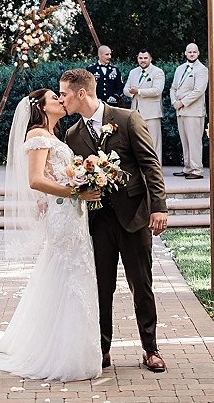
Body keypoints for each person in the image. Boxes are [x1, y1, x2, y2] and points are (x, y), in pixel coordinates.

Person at [0, 89, 102, 382]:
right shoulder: (37, 134)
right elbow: (35, 179)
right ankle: (60, 354)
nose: (62, 101)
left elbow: (52, 176)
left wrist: (77, 186)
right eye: (55, 98)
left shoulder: (53, 135)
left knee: (73, 272)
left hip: (70, 211)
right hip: (63, 214)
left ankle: (73, 348)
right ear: (41, 107)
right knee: (68, 272)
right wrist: (77, 191)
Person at [61, 68, 168, 373]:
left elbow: (150, 165)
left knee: (142, 285)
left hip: (134, 217)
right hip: (98, 223)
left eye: (65, 93)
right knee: (100, 287)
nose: (61, 99)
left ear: (81, 93)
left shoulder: (126, 119)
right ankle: (102, 350)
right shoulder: (72, 135)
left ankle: (151, 348)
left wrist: (158, 208)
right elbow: (76, 175)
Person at [170, 43, 208, 179]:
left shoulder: (202, 69)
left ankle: (197, 169)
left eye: (194, 52)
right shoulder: (180, 69)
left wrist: (182, 102)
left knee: (194, 141)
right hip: (180, 110)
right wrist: (174, 101)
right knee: (184, 140)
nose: (191, 54)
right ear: (185, 53)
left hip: (193, 111)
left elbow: (199, 90)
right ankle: (187, 167)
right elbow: (173, 88)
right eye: (189, 52)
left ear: (198, 53)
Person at [123, 49, 165, 165]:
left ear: (150, 59)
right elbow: (125, 89)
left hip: (152, 113)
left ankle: (156, 167)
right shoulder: (133, 72)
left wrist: (139, 91)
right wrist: (131, 92)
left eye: (145, 58)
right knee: (137, 141)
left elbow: (157, 90)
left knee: (153, 142)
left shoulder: (158, 72)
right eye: (140, 58)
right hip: (135, 112)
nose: (143, 60)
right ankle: (141, 166)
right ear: (137, 59)